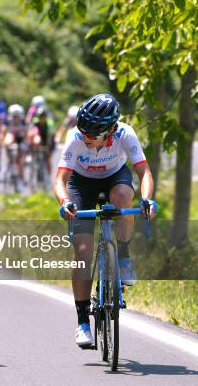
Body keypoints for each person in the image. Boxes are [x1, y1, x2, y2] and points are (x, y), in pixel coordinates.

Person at [54, 93, 156, 348]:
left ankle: (123, 254)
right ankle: (82, 322)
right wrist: (64, 202)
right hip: (81, 183)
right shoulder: (75, 138)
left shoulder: (125, 134)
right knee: (83, 252)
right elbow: (60, 180)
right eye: (83, 130)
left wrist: (147, 199)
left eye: (93, 133)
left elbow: (144, 172)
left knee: (123, 197)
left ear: (110, 129)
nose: (86, 136)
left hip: (114, 176)